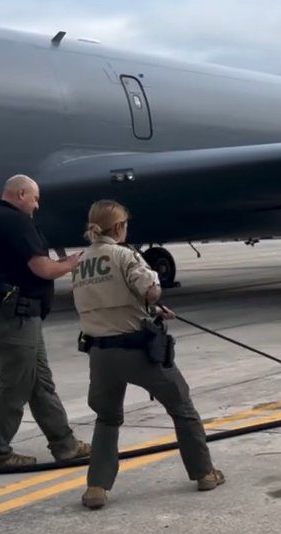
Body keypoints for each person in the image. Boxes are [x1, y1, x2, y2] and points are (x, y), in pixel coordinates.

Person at [71, 200, 224, 510]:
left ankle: (97, 487)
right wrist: (154, 288)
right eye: (125, 225)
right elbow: (150, 290)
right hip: (137, 351)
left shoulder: (82, 261)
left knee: (107, 419)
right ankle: (204, 473)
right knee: (182, 406)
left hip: (100, 355)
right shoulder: (124, 255)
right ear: (117, 228)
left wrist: (151, 311)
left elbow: (109, 301)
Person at [0, 175, 91, 468]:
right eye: (35, 198)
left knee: (39, 383)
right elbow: (41, 268)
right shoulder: (15, 221)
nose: (37, 205)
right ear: (21, 193)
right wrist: (70, 264)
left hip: (18, 316)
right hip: (14, 318)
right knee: (15, 385)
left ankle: (64, 445)